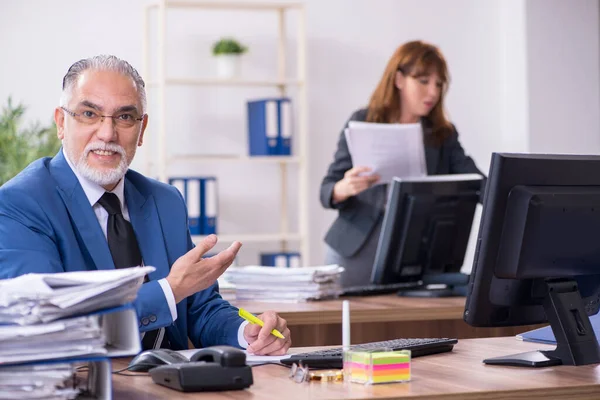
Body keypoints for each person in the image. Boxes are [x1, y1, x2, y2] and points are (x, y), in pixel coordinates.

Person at [0, 55, 291, 356]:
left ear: (142, 130)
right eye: (89, 113)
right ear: (62, 123)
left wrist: (249, 333)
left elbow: (200, 309)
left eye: (125, 117)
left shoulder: (165, 201)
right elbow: (46, 322)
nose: (107, 134)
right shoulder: (22, 202)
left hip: (171, 384)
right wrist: (169, 290)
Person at [320, 40, 484, 288]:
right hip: (356, 250)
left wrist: (515, 196)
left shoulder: (442, 135)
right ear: (398, 79)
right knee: (348, 326)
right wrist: (344, 188)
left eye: (439, 84)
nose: (433, 92)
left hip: (412, 253)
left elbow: (478, 184)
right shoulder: (363, 120)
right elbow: (327, 189)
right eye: (423, 81)